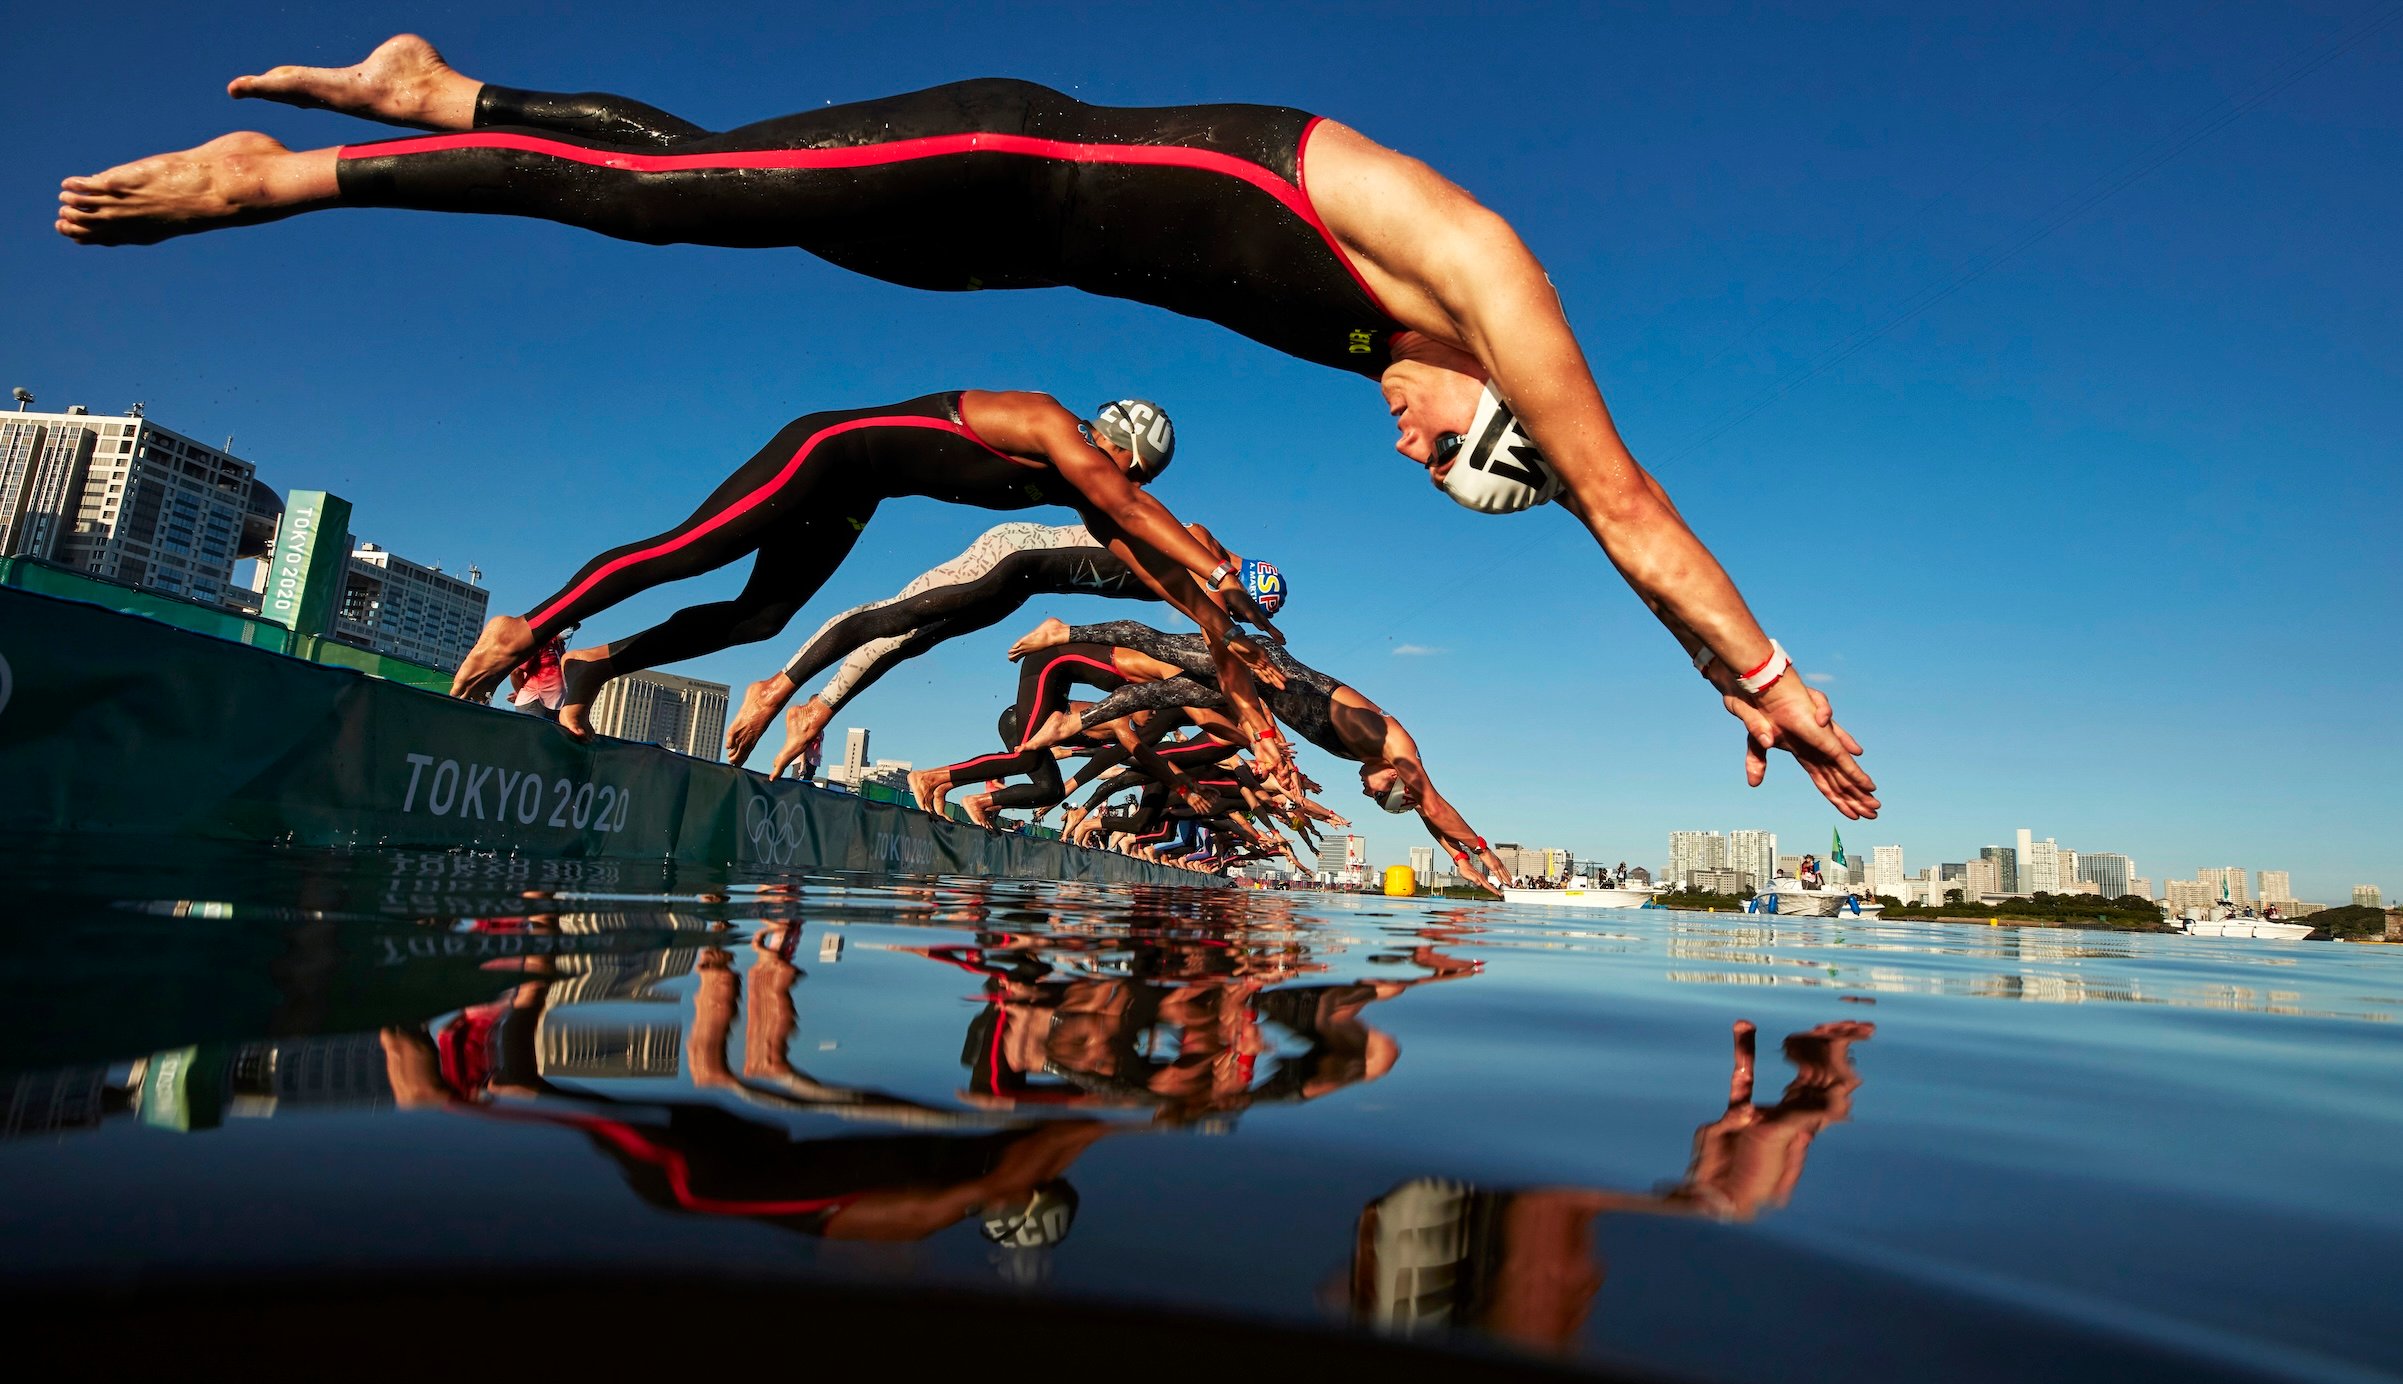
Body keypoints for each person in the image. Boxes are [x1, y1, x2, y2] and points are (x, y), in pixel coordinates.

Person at [58, 35, 1875, 819]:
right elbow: (1615, 492)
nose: (1395, 437)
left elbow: (1591, 513)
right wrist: (1770, 667)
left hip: (988, 255)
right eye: (1438, 443)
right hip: (1004, 152)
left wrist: (1702, 677)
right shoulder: (1478, 273)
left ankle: (441, 91)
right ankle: (284, 178)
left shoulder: (1446, 371)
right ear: (1503, 399)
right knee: (666, 205)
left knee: (695, 174)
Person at [426, 387, 1285, 748]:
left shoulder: (1099, 493)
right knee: (695, 549)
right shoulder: (1051, 423)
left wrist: (1226, 627)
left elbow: (1160, 562)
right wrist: (1221, 568)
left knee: (759, 619)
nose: (1122, 489)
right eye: (1127, 473)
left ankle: (593, 665)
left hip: (852, 498)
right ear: (1115, 446)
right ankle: (531, 628)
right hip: (824, 454)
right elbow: (1137, 516)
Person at [723, 516, 1285, 774]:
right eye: (1248, 606)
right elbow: (1206, 548)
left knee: (912, 643)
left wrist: (1260, 733)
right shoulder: (1202, 547)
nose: (1240, 618)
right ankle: (778, 686)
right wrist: (1233, 596)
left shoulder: (1202, 600)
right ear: (1243, 577)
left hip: (1024, 583)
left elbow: (1225, 666)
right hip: (1012, 552)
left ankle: (817, 709)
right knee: (898, 617)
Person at [1011, 617, 1513, 890]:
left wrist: (1454, 854)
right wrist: (1481, 847)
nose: (1367, 791)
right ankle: (1067, 633)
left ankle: (1075, 721)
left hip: (1258, 694)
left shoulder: (1390, 762)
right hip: (1265, 665)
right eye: (1380, 795)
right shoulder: (1393, 744)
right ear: (1397, 778)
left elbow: (1428, 808)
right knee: (1160, 650)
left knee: (1166, 692)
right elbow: (1433, 803)